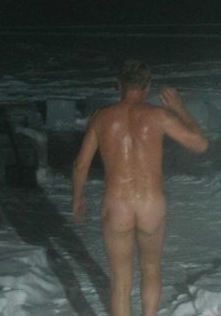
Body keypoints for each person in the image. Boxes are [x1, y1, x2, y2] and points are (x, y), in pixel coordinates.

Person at [71, 60, 208, 316]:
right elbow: (200, 144)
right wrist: (179, 107)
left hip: (117, 204)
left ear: (118, 85)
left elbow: (81, 165)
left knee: (120, 280)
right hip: (150, 204)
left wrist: (77, 199)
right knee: (151, 268)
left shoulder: (101, 117)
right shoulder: (158, 115)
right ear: (148, 86)